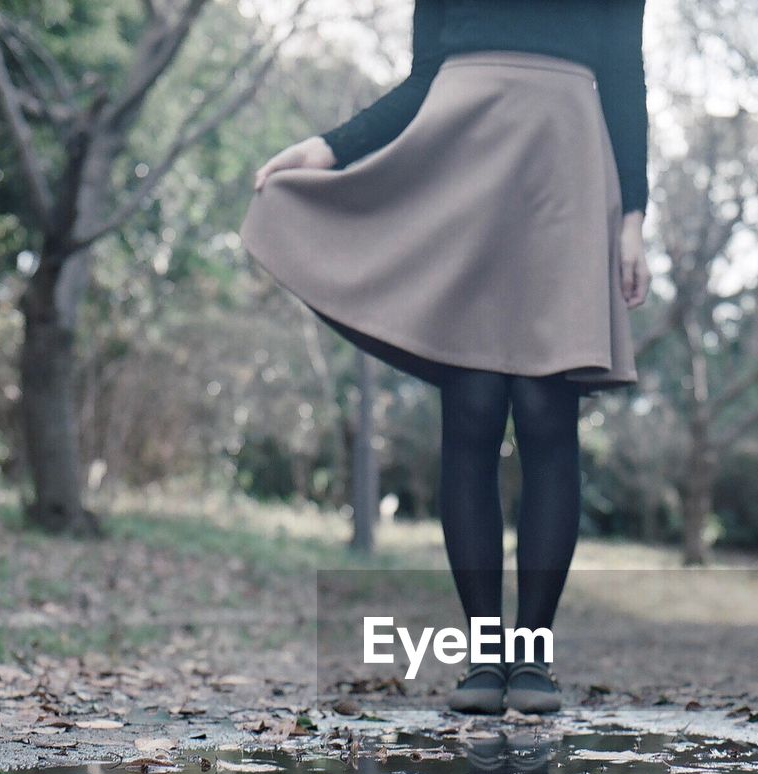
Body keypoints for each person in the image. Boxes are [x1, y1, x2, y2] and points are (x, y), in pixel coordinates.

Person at [242, 1, 650, 715]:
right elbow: (424, 80)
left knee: (546, 412)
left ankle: (533, 661)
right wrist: (331, 148)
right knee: (473, 408)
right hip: (459, 161)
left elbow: (623, 73)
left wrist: (634, 216)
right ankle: (483, 659)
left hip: (565, 164)